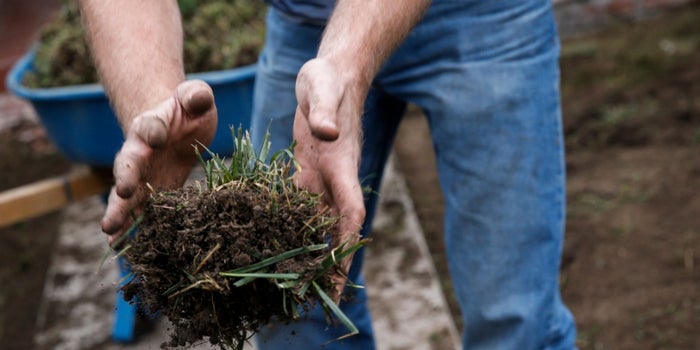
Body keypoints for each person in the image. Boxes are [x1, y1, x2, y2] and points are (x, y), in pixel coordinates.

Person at [79, 0, 577, 348]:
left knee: (513, 313)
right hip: (306, 22)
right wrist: (153, 101)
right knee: (285, 294)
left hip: (484, 17)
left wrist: (347, 66)